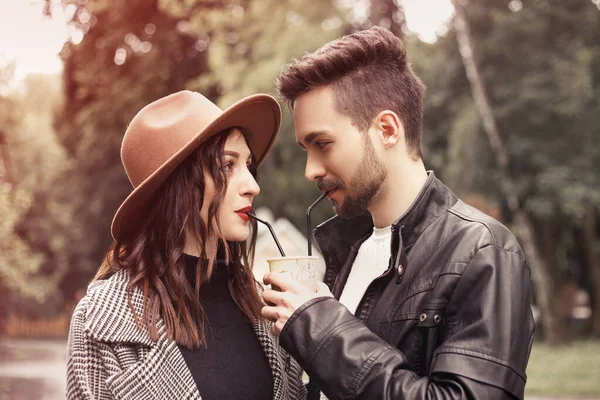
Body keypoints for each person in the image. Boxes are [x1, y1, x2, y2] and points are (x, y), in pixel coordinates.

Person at [261, 26, 535, 400]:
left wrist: (320, 327)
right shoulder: (350, 249)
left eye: (322, 144)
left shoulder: (481, 251)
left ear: (387, 129)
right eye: (306, 149)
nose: (310, 170)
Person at [66, 90, 306, 400]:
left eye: (249, 165)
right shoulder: (99, 320)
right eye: (226, 166)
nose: (253, 186)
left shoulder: (266, 308)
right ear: (179, 185)